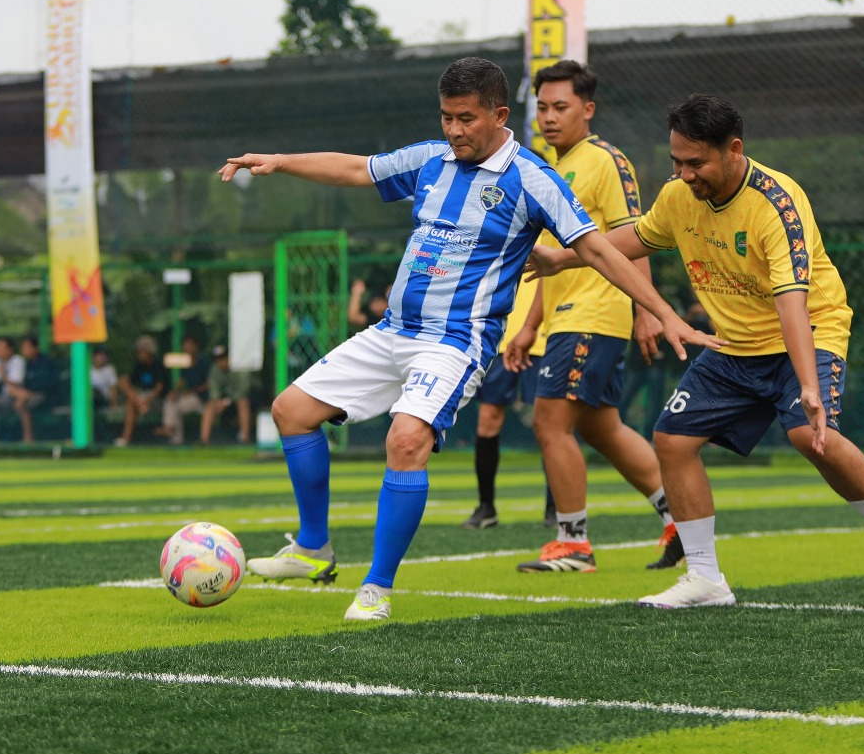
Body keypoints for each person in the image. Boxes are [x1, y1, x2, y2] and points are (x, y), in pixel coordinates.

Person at [219, 56, 720, 623]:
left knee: (406, 440)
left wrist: (660, 311)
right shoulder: (431, 159)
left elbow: (598, 249)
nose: (454, 130)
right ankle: (313, 549)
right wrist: (280, 162)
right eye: (446, 117)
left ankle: (377, 588)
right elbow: (359, 169)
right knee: (291, 411)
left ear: (499, 115)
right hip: (393, 331)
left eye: (466, 118)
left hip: (456, 341)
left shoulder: (532, 178)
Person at [529, 94, 864, 609]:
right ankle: (705, 578)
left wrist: (808, 386)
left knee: (812, 437)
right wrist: (562, 259)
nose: (684, 174)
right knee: (672, 439)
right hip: (735, 343)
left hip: (808, 330)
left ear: (734, 149)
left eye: (696, 163)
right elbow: (639, 237)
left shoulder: (777, 204)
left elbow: (792, 302)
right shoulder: (678, 196)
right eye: (677, 161)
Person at [506, 60, 682, 573]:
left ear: (588, 109)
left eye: (560, 107)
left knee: (549, 421)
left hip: (596, 312)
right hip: (566, 316)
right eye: (542, 108)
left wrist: (647, 311)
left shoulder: (606, 160)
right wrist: (530, 325)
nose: (549, 117)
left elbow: (638, 235)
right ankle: (680, 521)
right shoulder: (551, 169)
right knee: (603, 428)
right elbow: (549, 260)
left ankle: (573, 544)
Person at [461, 274, 551, 530]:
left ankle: (556, 508)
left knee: (551, 424)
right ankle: (486, 507)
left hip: (547, 336)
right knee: (488, 419)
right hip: (500, 338)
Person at [116, 335, 169, 447]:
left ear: (149, 352)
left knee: (131, 403)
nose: (139, 354)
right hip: (140, 399)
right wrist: (140, 402)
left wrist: (147, 401)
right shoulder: (139, 366)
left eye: (142, 351)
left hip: (157, 401)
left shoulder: (158, 366)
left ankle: (126, 438)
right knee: (123, 382)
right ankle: (139, 405)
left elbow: (159, 389)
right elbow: (129, 383)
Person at [158, 334, 210, 445]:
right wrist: (175, 392)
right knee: (170, 401)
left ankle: (170, 429)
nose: (187, 348)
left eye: (189, 345)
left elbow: (209, 384)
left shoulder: (204, 362)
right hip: (188, 396)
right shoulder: (184, 363)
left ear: (196, 347)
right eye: (185, 345)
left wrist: (191, 392)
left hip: (202, 397)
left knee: (176, 407)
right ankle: (174, 437)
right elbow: (181, 381)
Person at [199, 344, 255, 444]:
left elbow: (244, 390)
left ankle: (245, 439)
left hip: (250, 397)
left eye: (223, 358)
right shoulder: (215, 370)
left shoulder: (240, 367)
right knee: (210, 404)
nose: (221, 362)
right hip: (226, 400)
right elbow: (214, 391)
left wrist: (226, 402)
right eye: (218, 359)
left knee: (243, 402)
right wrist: (218, 401)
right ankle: (204, 441)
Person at [10, 336, 61, 443]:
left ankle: (28, 437)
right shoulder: (26, 364)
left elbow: (46, 385)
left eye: (26, 348)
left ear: (35, 348)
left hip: (47, 396)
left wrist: (27, 394)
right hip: (29, 395)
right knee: (17, 397)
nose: (24, 351)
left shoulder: (46, 363)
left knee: (23, 404)